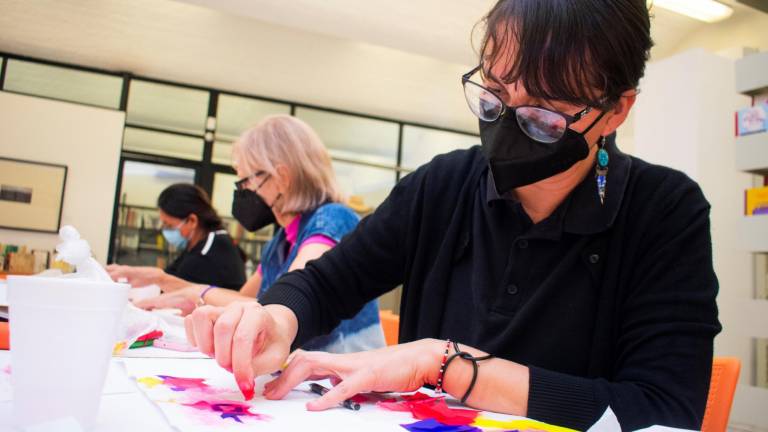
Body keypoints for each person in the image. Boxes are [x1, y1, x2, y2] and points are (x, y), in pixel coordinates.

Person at [184, 1, 721, 430]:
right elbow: (328, 283)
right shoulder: (442, 186)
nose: (507, 123)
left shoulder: (665, 212)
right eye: (494, 93)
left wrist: (444, 366)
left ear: (616, 110)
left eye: (542, 115)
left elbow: (665, 412)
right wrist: (278, 319)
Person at [138, 115, 386, 354]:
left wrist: (195, 293)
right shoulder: (281, 241)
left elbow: (290, 303)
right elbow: (244, 300)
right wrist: (175, 287)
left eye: (245, 181)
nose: (242, 192)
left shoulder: (333, 219)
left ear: (282, 178)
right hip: (304, 374)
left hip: (343, 378)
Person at [107, 183, 246, 291]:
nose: (165, 231)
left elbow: (183, 288)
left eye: (169, 225)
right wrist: (135, 273)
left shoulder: (212, 247)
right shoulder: (195, 245)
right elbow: (170, 276)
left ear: (192, 221)